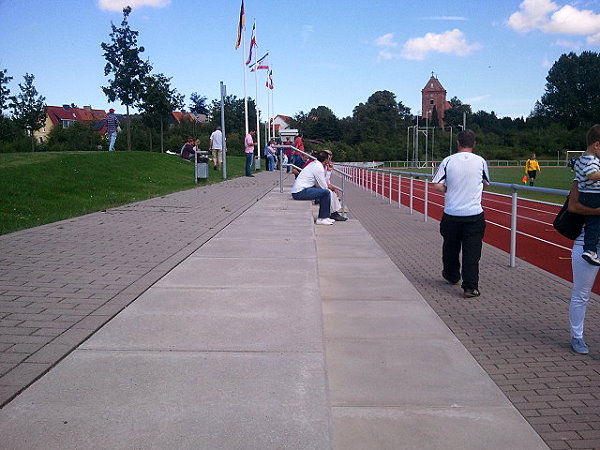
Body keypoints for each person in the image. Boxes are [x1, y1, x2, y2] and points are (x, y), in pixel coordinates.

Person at [431, 129, 490, 298]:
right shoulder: (480, 161)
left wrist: (449, 189)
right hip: (473, 214)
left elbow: (436, 184)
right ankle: (470, 286)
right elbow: (486, 183)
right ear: (474, 144)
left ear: (457, 143)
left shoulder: (448, 161)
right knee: (472, 252)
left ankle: (451, 275)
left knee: (450, 247)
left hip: (451, 212)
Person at [567, 177, 600, 354]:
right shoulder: (583, 176)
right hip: (586, 243)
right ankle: (577, 336)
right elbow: (573, 207)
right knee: (582, 293)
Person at [573, 124, 600, 265]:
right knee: (594, 223)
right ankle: (590, 250)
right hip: (593, 196)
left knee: (593, 223)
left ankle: (590, 250)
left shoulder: (582, 159)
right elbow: (592, 175)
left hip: (587, 195)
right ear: (597, 145)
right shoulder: (591, 160)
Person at [291, 150, 333, 225]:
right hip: (300, 192)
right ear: (326, 160)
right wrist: (329, 173)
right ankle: (322, 218)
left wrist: (328, 171)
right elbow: (324, 186)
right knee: (326, 193)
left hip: (299, 190)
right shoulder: (318, 168)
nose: (329, 160)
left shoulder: (315, 164)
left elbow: (322, 184)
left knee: (325, 192)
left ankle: (325, 217)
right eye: (329, 159)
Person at [323, 150, 347, 221]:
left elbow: (327, 181)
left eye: (330, 157)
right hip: (314, 186)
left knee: (332, 193)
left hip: (319, 185)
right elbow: (324, 182)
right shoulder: (321, 166)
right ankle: (333, 214)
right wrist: (333, 188)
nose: (329, 159)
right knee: (330, 193)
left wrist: (329, 171)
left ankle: (334, 213)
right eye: (328, 157)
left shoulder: (325, 166)